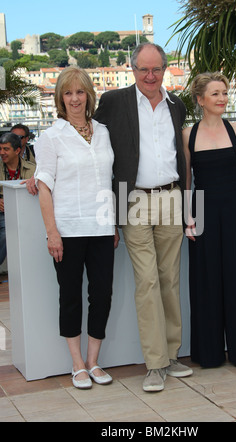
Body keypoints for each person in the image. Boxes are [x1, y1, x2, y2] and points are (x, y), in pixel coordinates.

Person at [94, 42, 193, 392]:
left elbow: (184, 159)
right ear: (132, 69)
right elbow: (90, 143)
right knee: (147, 282)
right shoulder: (113, 102)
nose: (150, 76)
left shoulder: (176, 104)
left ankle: (171, 354)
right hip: (133, 202)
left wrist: (189, 209)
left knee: (170, 281)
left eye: (156, 69)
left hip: (173, 199)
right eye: (143, 69)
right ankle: (154, 364)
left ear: (165, 69)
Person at [34, 66, 119, 390]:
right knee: (70, 297)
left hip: (100, 229)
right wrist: (51, 232)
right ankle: (77, 364)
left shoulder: (103, 131)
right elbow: (44, 186)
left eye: (79, 92)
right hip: (67, 231)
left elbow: (107, 181)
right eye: (68, 93)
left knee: (102, 295)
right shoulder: (51, 136)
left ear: (88, 96)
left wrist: (111, 224)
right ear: (60, 97)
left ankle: (94, 361)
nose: (74, 98)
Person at [183, 72, 236, 368]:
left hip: (235, 208)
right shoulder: (188, 134)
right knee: (206, 280)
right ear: (200, 99)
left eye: (224, 93)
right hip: (202, 210)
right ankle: (209, 353)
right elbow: (186, 179)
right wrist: (188, 216)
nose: (222, 98)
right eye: (215, 93)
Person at [0, 132, 36, 265]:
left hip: (24, 212)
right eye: (0, 149)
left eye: (6, 149)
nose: (2, 152)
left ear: (17, 150)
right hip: (2, 213)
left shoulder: (33, 169)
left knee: (6, 234)